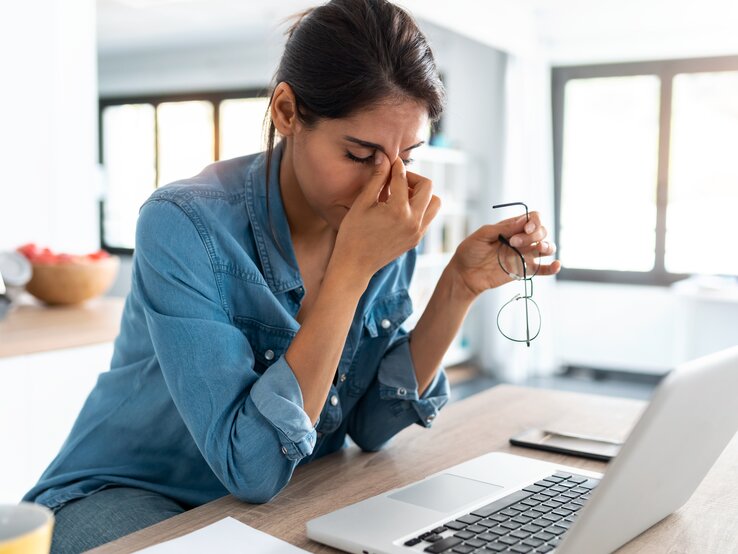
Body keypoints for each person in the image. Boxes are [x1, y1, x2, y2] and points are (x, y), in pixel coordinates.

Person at [23, 0, 560, 551]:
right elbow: (249, 467)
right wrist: (351, 271)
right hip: (127, 493)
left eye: (409, 156)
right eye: (359, 153)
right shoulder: (184, 223)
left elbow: (373, 426)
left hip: (274, 497)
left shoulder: (378, 222)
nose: (387, 187)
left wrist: (457, 287)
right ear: (285, 110)